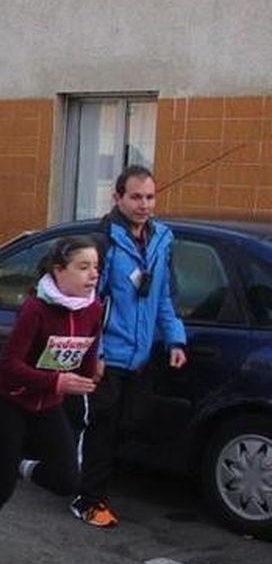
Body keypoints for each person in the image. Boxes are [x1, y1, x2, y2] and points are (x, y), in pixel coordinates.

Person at [0, 237, 103, 564]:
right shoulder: (35, 308)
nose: (92, 275)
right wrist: (57, 380)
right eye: (83, 267)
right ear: (59, 271)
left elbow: (84, 355)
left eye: (96, 267)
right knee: (3, 485)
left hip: (48, 404)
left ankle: (18, 464)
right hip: (11, 399)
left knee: (69, 481)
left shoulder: (94, 308)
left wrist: (93, 370)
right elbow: (9, 365)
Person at [73, 165, 187, 529]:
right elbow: (91, 304)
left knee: (132, 422)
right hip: (109, 358)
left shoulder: (161, 239)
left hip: (141, 356)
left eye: (150, 197)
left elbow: (165, 295)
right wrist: (97, 353)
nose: (144, 205)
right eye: (135, 197)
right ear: (117, 198)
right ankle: (88, 499)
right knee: (102, 428)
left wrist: (175, 338)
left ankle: (61, 463)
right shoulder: (103, 242)